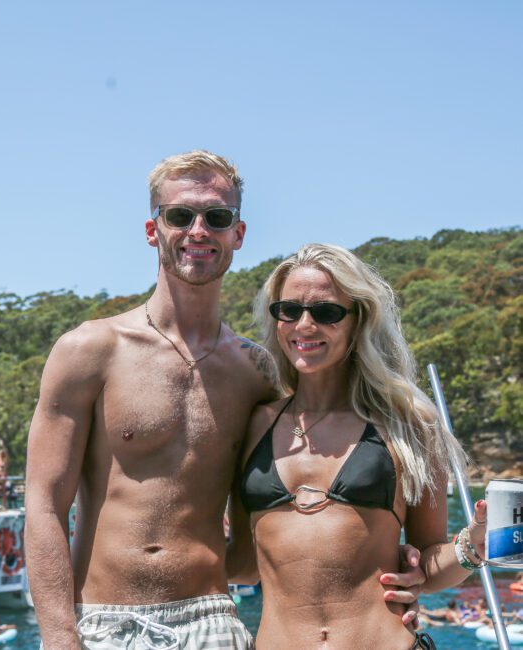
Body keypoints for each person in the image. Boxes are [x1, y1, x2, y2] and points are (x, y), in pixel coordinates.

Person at [25, 151, 424, 649]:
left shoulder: (257, 373)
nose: (198, 230)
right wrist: (60, 636)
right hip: (105, 621)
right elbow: (43, 506)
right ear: (153, 229)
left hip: (213, 620)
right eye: (179, 216)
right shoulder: (89, 351)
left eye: (217, 217)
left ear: (238, 233)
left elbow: (306, 496)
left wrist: (398, 569)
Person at [236, 243, 487, 649]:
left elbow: (427, 564)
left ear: (358, 322)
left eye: (326, 312)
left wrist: (473, 545)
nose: (304, 325)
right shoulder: (253, 425)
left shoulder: (408, 424)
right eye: (289, 310)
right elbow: (244, 565)